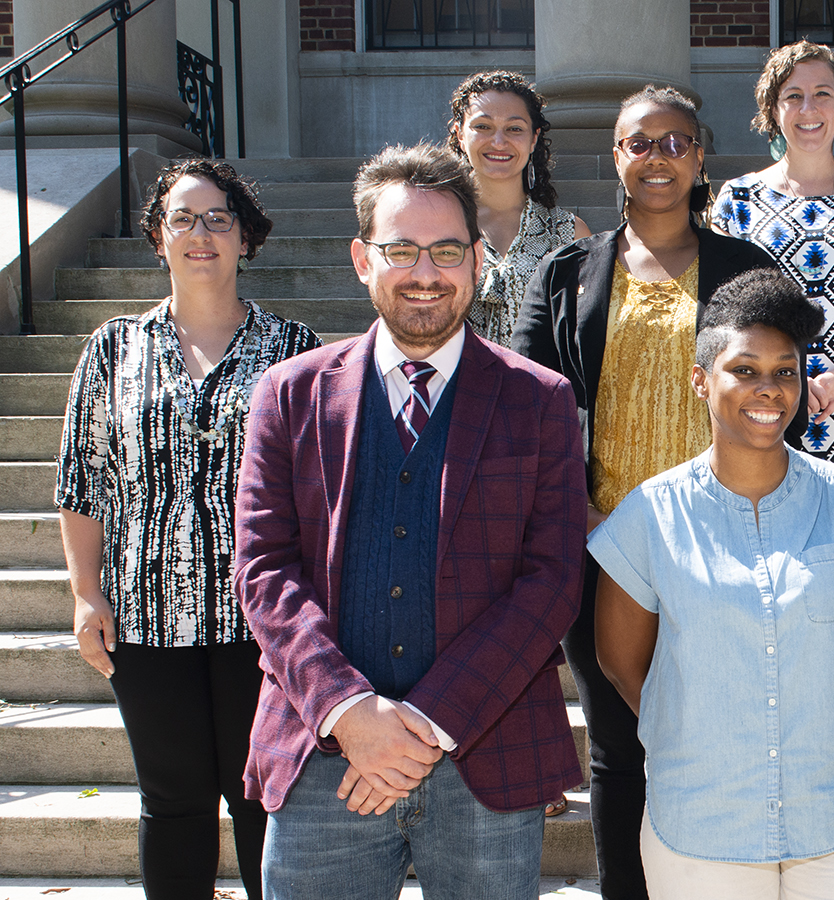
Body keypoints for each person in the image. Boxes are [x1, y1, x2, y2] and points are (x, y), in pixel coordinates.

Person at [232, 142, 587, 898]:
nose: (426, 273)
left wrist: (427, 723)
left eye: (447, 250)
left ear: (478, 258)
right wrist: (350, 711)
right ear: (362, 258)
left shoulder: (541, 398)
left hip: (484, 763)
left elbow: (552, 580)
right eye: (402, 249)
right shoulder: (288, 393)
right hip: (325, 760)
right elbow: (264, 571)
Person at [509, 85, 778, 900]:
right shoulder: (567, 273)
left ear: (701, 159)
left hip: (725, 540)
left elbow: (774, 400)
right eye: (639, 143)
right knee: (619, 749)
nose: (657, 157)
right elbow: (532, 406)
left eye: (675, 142)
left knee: (724, 735)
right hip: (605, 544)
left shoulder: (746, 270)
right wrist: (578, 514)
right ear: (616, 157)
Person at [587, 269, 834, 899]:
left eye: (786, 371)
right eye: (745, 369)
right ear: (701, 380)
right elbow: (621, 664)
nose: (769, 388)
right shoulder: (649, 517)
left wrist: (815, 720)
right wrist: (702, 730)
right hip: (701, 827)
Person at [56, 158, 321, 900]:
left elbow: (321, 491)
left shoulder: (294, 349)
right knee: (171, 802)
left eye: (218, 219)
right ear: (157, 238)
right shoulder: (112, 349)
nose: (200, 234)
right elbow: (83, 480)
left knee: (265, 799)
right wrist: (85, 595)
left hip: (262, 622)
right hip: (145, 619)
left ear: (246, 239)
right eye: (183, 218)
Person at [709, 40, 834, 462]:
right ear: (773, 110)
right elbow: (721, 315)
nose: (808, 109)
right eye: (793, 97)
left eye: (822, 94)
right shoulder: (737, 200)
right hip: (764, 403)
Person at [448, 70, 591, 349]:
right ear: (460, 135)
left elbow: (582, 336)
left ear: (534, 139)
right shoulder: (437, 226)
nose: (499, 142)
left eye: (514, 129)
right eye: (483, 126)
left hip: (541, 389)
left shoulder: (568, 233)